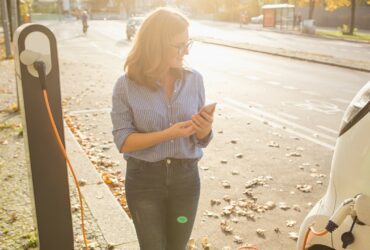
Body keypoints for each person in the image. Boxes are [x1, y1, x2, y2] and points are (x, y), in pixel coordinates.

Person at [110, 7, 214, 250]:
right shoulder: (125, 86)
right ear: (155, 45)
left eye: (188, 44)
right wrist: (169, 134)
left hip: (186, 179)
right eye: (178, 45)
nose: (185, 51)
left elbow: (201, 140)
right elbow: (123, 141)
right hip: (144, 179)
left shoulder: (194, 79)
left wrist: (204, 128)